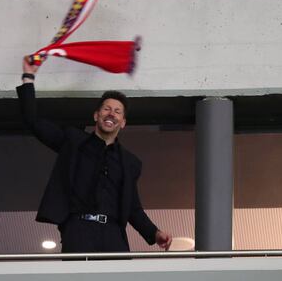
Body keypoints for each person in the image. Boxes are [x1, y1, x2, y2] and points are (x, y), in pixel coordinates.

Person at [17, 56, 172, 253]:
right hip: (78, 229)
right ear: (96, 115)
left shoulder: (130, 163)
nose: (111, 114)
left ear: (123, 122)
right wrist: (28, 77)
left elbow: (133, 208)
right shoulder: (73, 142)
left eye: (117, 111)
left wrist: (155, 233)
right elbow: (33, 122)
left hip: (113, 233)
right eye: (106, 109)